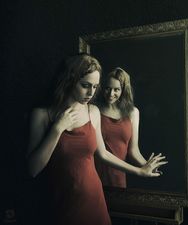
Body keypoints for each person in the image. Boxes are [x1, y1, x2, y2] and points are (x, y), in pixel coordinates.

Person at [27, 54, 167, 225]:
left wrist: (140, 171)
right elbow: (32, 169)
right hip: (61, 203)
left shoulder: (92, 111)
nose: (91, 93)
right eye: (85, 85)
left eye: (95, 86)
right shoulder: (42, 115)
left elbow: (104, 154)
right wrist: (57, 128)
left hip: (94, 200)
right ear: (69, 80)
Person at [95, 67, 166, 188]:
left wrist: (148, 166)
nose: (111, 94)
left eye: (116, 89)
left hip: (119, 176)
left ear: (124, 90)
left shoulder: (133, 112)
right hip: (95, 174)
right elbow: (100, 152)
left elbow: (133, 151)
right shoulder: (94, 110)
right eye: (108, 88)